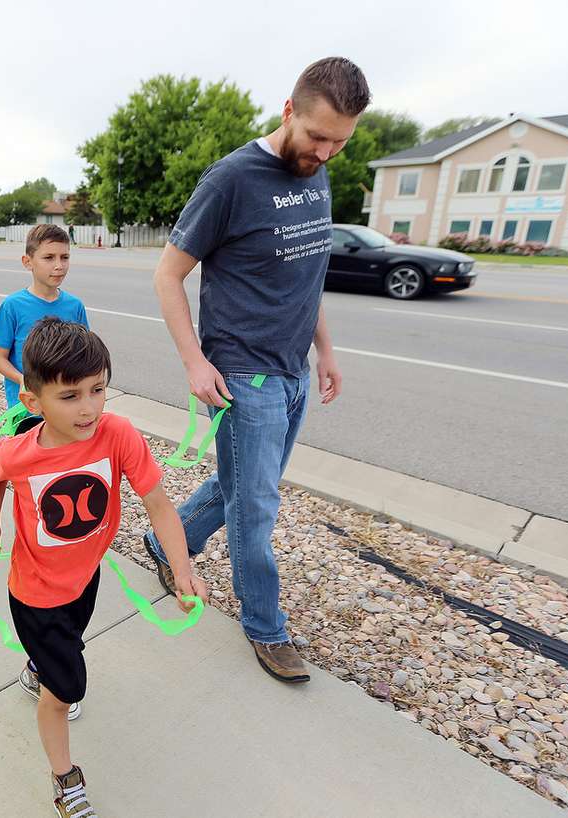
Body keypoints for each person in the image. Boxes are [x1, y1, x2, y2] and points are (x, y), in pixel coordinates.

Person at [143, 56, 368, 684]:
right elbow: (168, 275)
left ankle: (167, 542)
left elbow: (308, 274)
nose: (324, 152)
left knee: (241, 483)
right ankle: (266, 628)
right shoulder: (233, 180)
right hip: (243, 376)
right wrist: (193, 361)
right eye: (317, 136)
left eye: (339, 143)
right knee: (256, 506)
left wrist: (324, 350)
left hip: (293, 370)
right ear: (288, 110)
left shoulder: (316, 173)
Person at [0, 317, 208, 818]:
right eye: (70, 396)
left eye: (97, 390)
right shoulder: (19, 453)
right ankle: (65, 778)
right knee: (65, 693)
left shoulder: (117, 433)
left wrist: (182, 569)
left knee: (65, 652)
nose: (88, 408)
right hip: (36, 594)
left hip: (86, 577)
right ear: (33, 400)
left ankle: (39, 667)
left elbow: (159, 504)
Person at [0, 224, 88, 435]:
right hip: (27, 411)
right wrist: (22, 379)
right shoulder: (13, 306)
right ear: (28, 262)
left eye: (64, 257)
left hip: (65, 409)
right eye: (49, 257)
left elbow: (85, 357)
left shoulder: (75, 306)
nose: (59, 265)